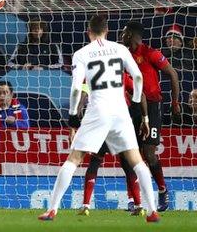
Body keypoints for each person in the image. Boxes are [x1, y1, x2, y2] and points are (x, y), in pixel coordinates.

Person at [38, 15, 159, 222]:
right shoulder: (120, 49)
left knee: (74, 159)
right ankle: (152, 211)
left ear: (88, 32)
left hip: (98, 111)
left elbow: (77, 87)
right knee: (137, 160)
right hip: (121, 111)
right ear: (108, 31)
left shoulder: (82, 53)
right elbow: (138, 76)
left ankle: (52, 209)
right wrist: (137, 103)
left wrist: (73, 116)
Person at [121, 20, 181, 211]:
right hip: (131, 107)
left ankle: (162, 190)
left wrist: (175, 102)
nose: (121, 35)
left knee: (149, 153)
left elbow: (172, 74)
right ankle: (133, 200)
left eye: (124, 32)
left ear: (130, 34)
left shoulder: (150, 53)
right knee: (130, 153)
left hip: (153, 107)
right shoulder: (122, 55)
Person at [76, 77, 150, 216]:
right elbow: (140, 93)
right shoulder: (120, 73)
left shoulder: (92, 69)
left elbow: (84, 92)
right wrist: (145, 118)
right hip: (120, 121)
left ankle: (85, 205)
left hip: (101, 120)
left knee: (95, 161)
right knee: (129, 164)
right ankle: (139, 205)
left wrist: (79, 109)